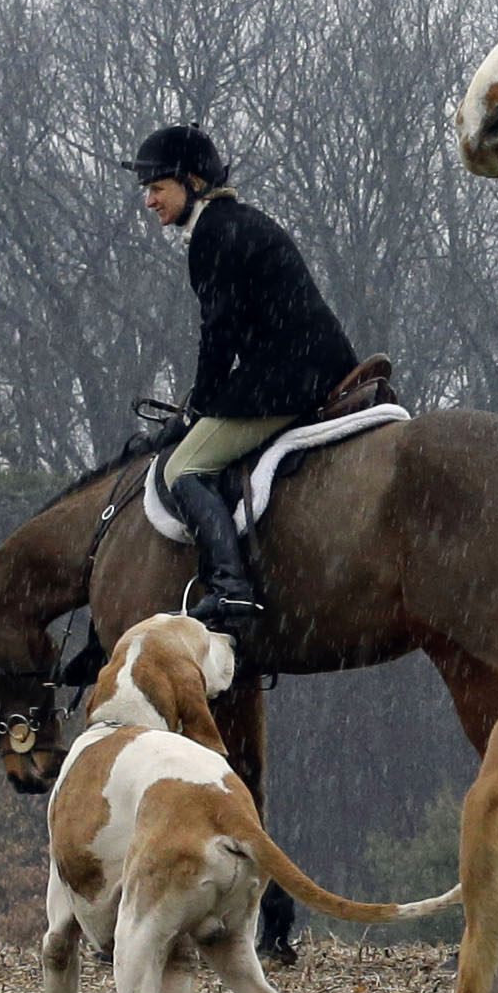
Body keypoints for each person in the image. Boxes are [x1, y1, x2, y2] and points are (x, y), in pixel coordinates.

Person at [128, 123, 365, 647]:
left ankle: (230, 586)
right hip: (307, 364)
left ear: (192, 181)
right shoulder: (236, 224)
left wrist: (196, 412)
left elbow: (219, 334)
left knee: (184, 467)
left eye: (157, 187)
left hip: (288, 376)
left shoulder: (214, 234)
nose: (148, 200)